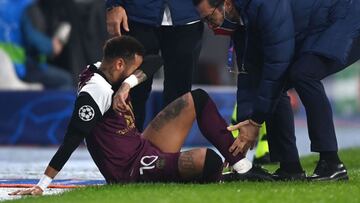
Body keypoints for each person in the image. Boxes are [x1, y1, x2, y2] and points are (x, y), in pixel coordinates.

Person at [10, 36, 272, 196]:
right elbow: (71, 139)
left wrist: (127, 85)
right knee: (209, 161)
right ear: (120, 64)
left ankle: (242, 168)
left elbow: (154, 60)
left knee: (198, 98)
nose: (138, 75)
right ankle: (221, 177)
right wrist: (42, 184)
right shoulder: (94, 93)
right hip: (130, 169)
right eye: (132, 71)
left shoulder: (100, 68)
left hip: (141, 145)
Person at [193, 0, 360, 181]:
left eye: (210, 18)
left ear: (226, 4)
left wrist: (256, 122)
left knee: (303, 74)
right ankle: (290, 168)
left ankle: (332, 163)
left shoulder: (264, 5)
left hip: (347, 17)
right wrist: (244, 126)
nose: (210, 26)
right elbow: (249, 74)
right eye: (205, 22)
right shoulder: (241, 21)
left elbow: (277, 63)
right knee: (273, 84)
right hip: (320, 24)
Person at [106, 0, 204, 131]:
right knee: (131, 90)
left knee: (179, 94)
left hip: (188, 15)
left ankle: (168, 149)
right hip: (138, 14)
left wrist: (214, 5)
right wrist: (114, 4)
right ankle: (126, 146)